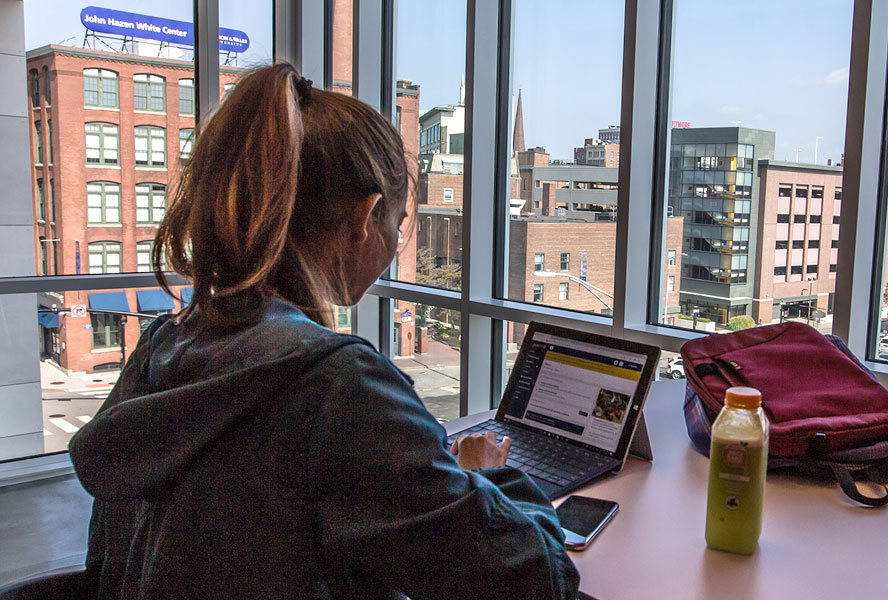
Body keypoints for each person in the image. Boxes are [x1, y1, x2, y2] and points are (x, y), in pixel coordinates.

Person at [69, 63, 579, 600]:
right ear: (368, 216)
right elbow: (539, 582)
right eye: (399, 222)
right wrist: (488, 478)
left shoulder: (165, 343)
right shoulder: (336, 382)